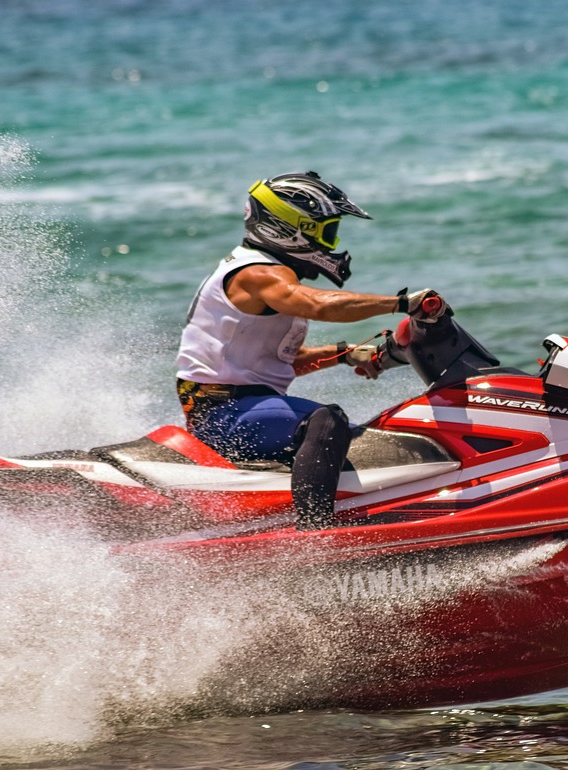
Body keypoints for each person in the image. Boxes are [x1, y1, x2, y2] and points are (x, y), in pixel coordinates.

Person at [175, 171, 446, 529]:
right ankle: (316, 534)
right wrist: (400, 303)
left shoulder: (266, 273)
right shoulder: (257, 274)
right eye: (326, 232)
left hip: (243, 405)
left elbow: (275, 363)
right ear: (289, 229)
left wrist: (345, 354)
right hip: (222, 414)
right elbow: (318, 305)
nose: (331, 246)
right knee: (325, 421)